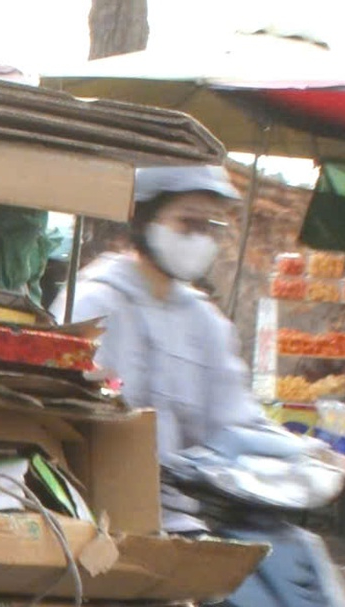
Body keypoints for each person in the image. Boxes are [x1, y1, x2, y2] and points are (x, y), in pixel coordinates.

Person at [69, 163, 263, 532]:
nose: (199, 238)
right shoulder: (93, 304)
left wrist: (306, 455)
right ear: (144, 220)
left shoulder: (205, 321)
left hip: (189, 519)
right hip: (100, 517)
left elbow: (235, 421)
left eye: (210, 226)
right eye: (187, 222)